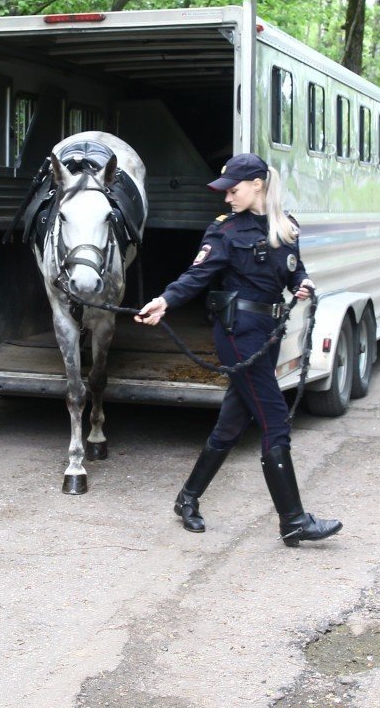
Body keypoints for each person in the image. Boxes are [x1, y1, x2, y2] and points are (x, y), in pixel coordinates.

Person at [135, 152, 341, 547]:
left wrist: (304, 282)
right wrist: (165, 301)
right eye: (226, 191)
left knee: (232, 422)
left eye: (233, 190)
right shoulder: (225, 231)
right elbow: (197, 275)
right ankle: (293, 521)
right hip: (236, 333)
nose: (227, 197)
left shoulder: (287, 226)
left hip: (268, 330)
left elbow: (295, 269)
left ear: (258, 185)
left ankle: (187, 498)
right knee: (275, 420)